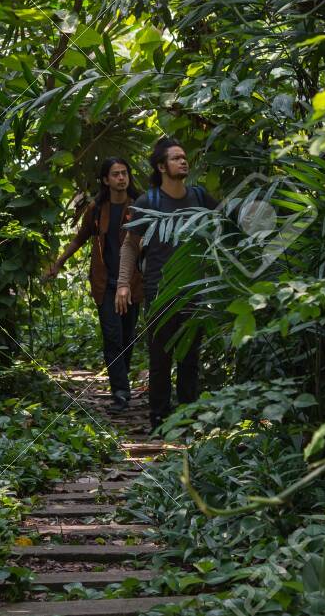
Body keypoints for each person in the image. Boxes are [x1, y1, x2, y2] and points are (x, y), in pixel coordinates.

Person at [116, 137, 217, 433]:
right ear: (161, 166)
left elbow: (226, 224)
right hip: (159, 291)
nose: (183, 161)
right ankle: (159, 421)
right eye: (176, 158)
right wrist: (123, 284)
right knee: (160, 360)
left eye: (184, 157)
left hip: (194, 290)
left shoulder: (199, 196)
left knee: (190, 359)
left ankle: (187, 420)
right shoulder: (149, 202)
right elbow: (130, 245)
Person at [45, 157, 144, 410]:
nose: (122, 178)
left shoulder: (139, 207)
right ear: (105, 180)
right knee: (112, 337)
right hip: (104, 283)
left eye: (124, 173)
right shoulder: (98, 209)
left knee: (127, 338)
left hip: (132, 283)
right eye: (116, 174)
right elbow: (79, 239)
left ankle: (122, 386)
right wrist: (58, 263)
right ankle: (121, 393)